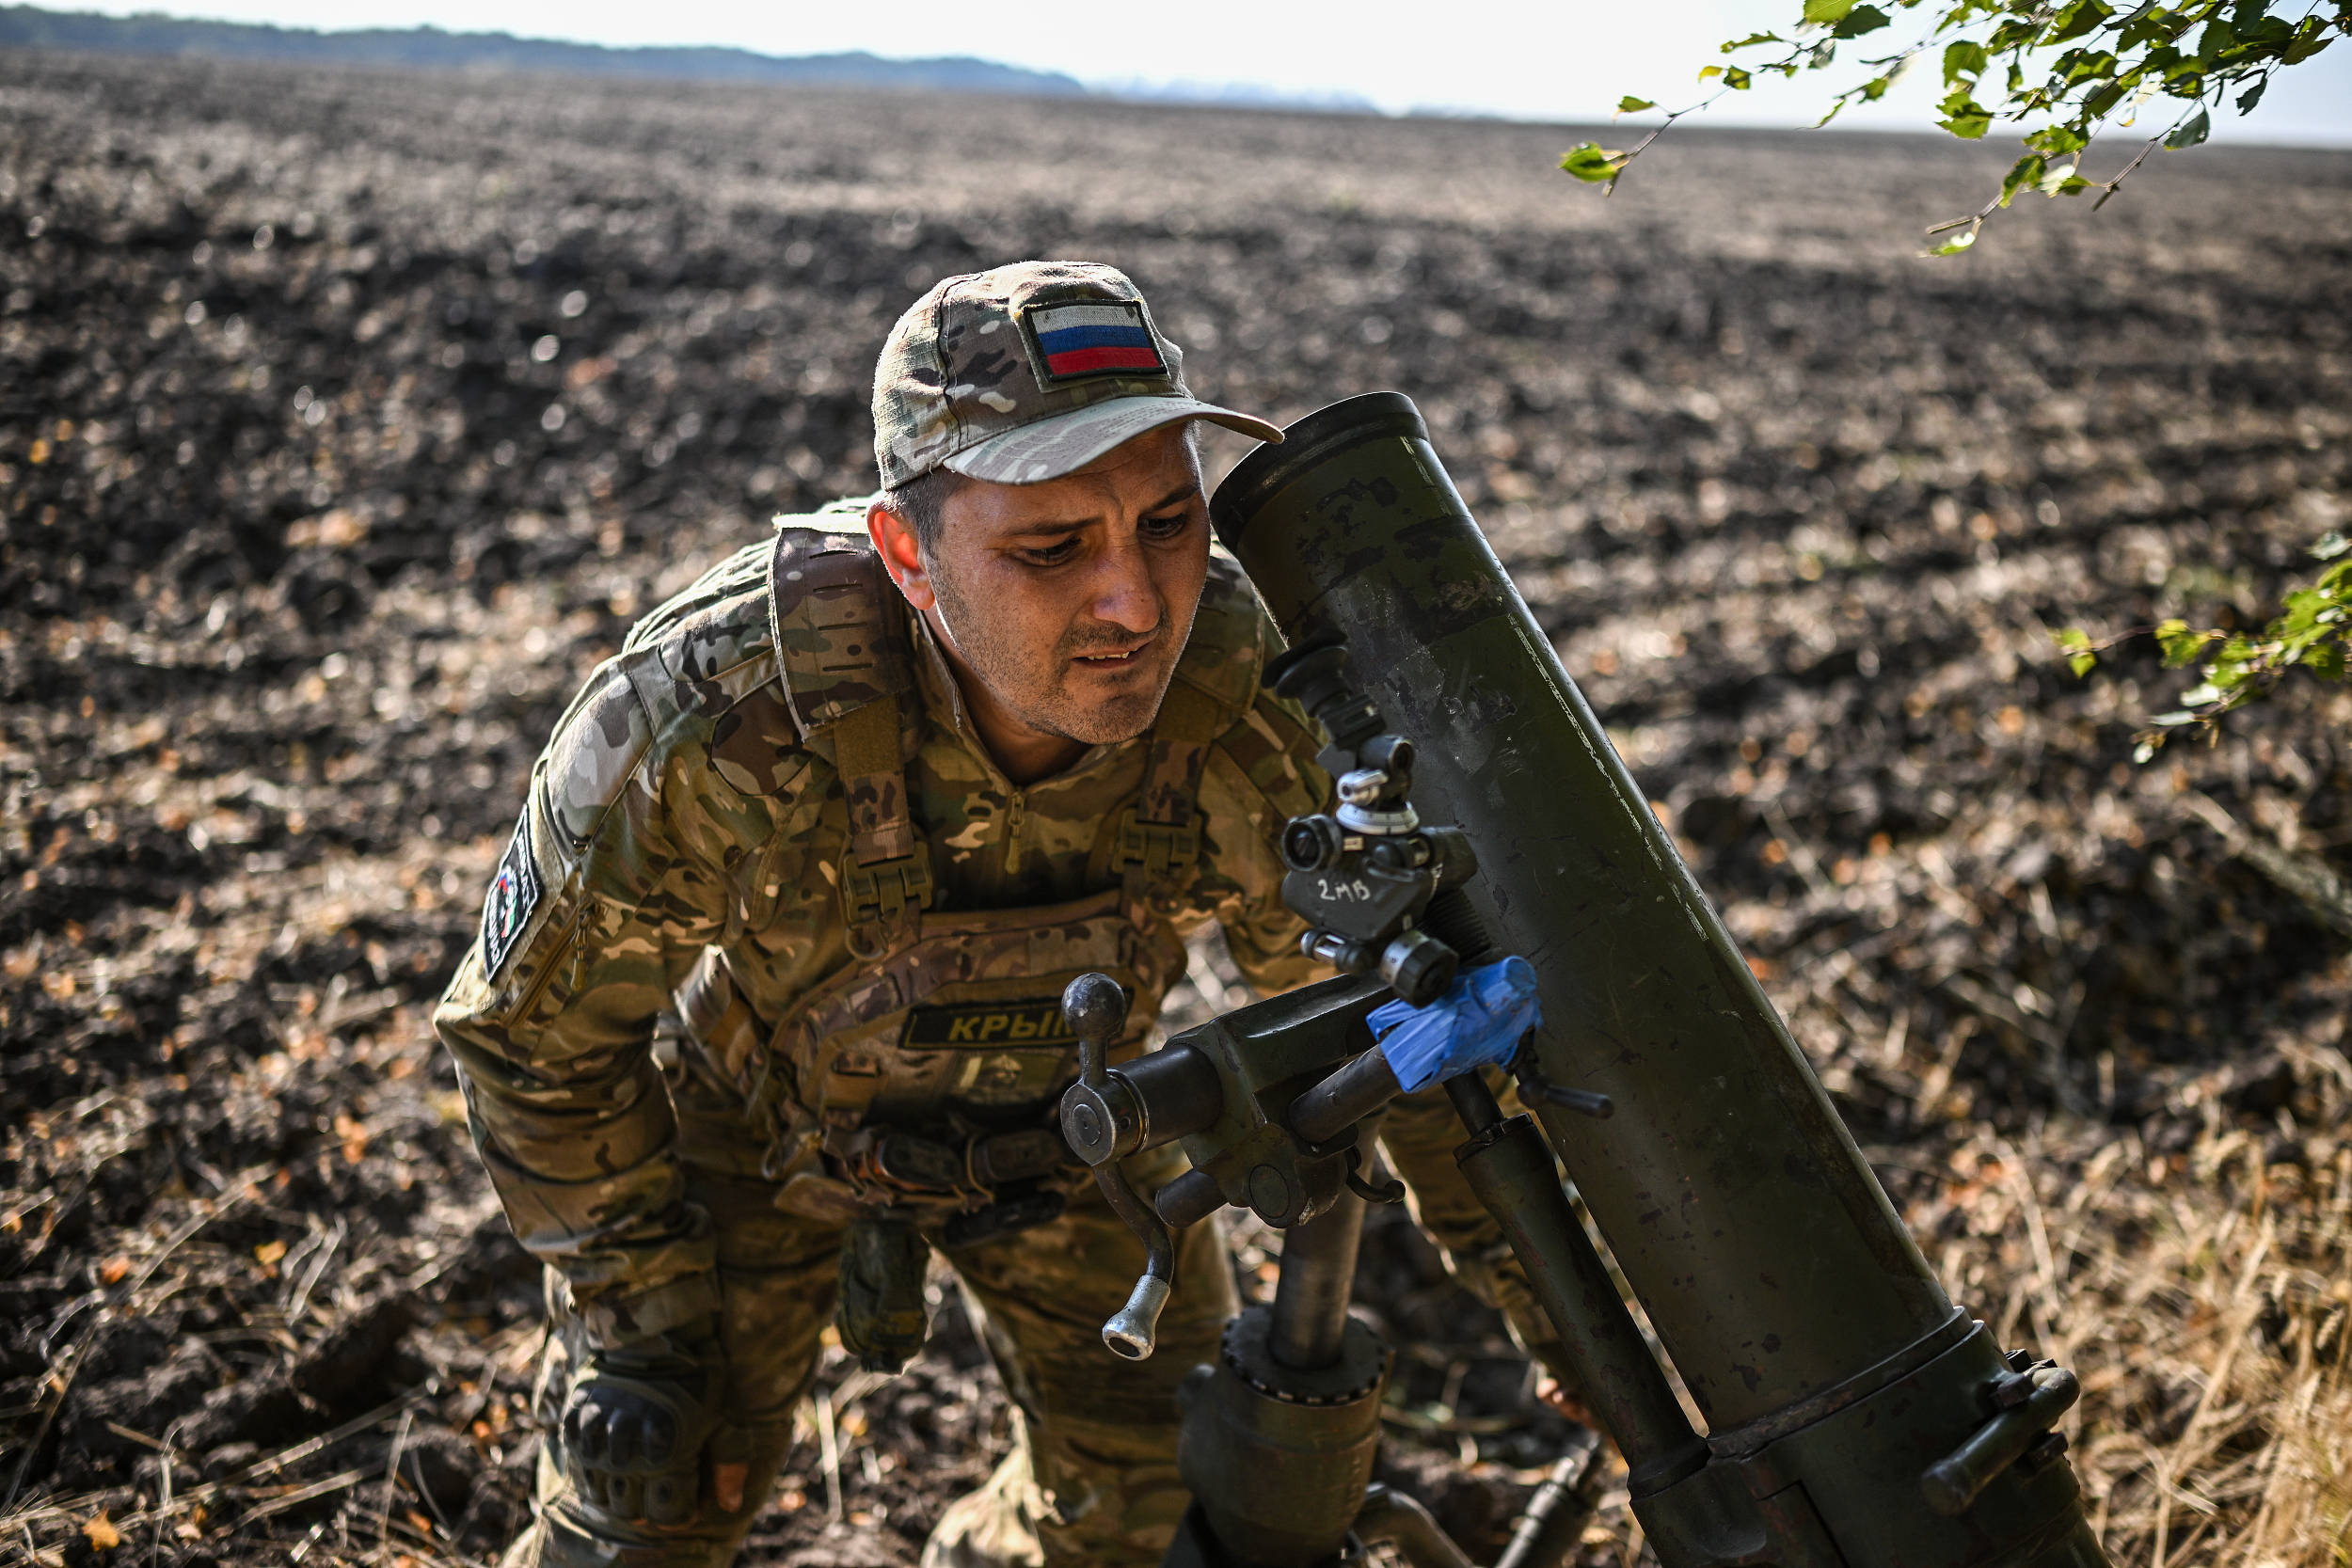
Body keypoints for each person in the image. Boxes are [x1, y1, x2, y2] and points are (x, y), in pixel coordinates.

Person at [435, 261, 1570, 1568]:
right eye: (1051, 548)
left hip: (1083, 1140)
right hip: (749, 1137)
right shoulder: (720, 709)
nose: (1136, 604)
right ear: (908, 556)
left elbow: (1396, 1033)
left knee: (1152, 1509)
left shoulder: (1252, 701)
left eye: (1169, 523)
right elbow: (533, 1038)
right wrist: (639, 1316)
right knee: (651, 1496)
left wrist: (1561, 1327)